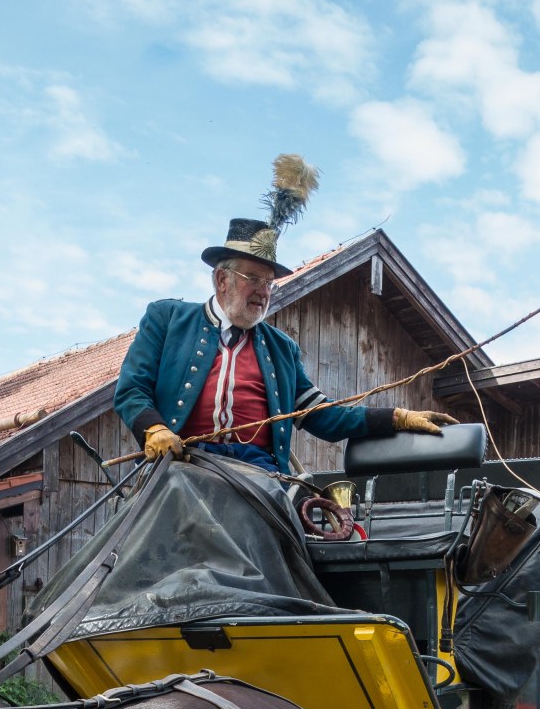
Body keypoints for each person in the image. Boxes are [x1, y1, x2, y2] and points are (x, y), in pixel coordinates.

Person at [114, 153, 455, 475]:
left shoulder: (282, 349)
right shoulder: (167, 319)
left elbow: (324, 417)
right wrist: (155, 429)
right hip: (181, 463)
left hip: (259, 472)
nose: (264, 291)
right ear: (222, 279)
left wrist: (396, 417)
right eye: (254, 280)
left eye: (270, 283)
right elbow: (132, 389)